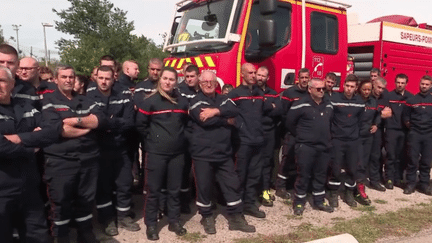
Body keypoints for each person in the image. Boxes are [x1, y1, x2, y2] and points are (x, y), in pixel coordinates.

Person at [42, 65, 106, 242]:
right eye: (64, 77)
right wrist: (87, 128)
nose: (68, 80)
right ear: (56, 79)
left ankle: (85, 233)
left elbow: (100, 119)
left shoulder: (85, 100)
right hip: (61, 161)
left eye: (71, 77)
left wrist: (76, 121)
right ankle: (60, 237)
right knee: (60, 202)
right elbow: (60, 130)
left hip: (88, 159)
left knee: (85, 199)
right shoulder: (48, 101)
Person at [189, 70, 255, 234]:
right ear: (200, 83)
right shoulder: (195, 100)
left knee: (232, 185)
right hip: (203, 153)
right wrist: (225, 120)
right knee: (204, 187)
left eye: (212, 81)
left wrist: (215, 112)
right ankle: (207, 217)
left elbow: (235, 111)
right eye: (205, 82)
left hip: (223, 153)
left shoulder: (224, 99)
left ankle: (236, 218)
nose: (209, 84)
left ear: (216, 83)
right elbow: (204, 121)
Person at [0, 66, 61, 243]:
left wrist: (16, 138)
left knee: (39, 236)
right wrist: (30, 145)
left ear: (12, 84)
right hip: (2, 192)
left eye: (3, 81)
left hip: (29, 188)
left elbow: (51, 132)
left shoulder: (26, 108)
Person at [136, 67, 188, 241]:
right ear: (160, 80)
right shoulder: (150, 101)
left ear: (176, 81)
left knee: (174, 189)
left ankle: (174, 220)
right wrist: (154, 141)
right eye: (165, 78)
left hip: (177, 153)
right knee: (153, 190)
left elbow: (185, 124)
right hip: (156, 153)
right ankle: (151, 224)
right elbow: (141, 125)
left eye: (171, 79)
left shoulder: (182, 101)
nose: (167, 82)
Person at [87, 65, 140, 236]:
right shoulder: (89, 96)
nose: (104, 81)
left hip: (120, 148)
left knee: (125, 183)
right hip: (99, 150)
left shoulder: (123, 94)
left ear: (113, 79)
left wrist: (108, 123)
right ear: (96, 78)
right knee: (104, 186)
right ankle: (107, 219)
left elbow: (130, 121)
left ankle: (123, 216)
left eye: (107, 78)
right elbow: (95, 123)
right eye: (100, 78)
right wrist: (111, 122)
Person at [227, 63, 272, 218]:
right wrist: (238, 126)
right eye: (250, 73)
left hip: (258, 140)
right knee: (240, 176)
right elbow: (226, 114)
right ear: (242, 74)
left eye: (255, 73)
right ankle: (237, 207)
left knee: (254, 175)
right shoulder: (235, 94)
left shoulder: (260, 93)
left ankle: (249, 204)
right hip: (242, 142)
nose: (253, 75)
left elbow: (266, 109)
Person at [287, 78, 334, 215]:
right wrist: (303, 136)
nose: (321, 91)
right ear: (310, 89)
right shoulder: (300, 104)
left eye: (323, 89)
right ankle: (299, 202)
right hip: (306, 147)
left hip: (324, 147)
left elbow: (331, 122)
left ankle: (319, 201)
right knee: (304, 175)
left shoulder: (329, 104)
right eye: (318, 89)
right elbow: (290, 123)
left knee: (320, 175)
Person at [328, 74, 365, 208]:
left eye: (352, 87)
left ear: (356, 88)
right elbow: (330, 118)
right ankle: (333, 193)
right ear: (343, 85)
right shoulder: (335, 98)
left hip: (352, 141)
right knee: (335, 168)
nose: (349, 89)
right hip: (337, 140)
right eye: (347, 86)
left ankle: (349, 193)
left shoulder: (360, 101)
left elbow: (360, 121)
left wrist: (355, 135)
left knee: (352, 169)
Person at [276, 68, 310, 199]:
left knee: (302, 161)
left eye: (306, 78)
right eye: (302, 78)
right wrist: (291, 129)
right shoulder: (289, 93)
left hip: (306, 133)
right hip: (292, 133)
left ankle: (297, 186)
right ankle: (280, 187)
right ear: (298, 78)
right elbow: (283, 114)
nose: (304, 80)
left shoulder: (310, 92)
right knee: (287, 160)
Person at [256, 66, 282, 207]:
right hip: (254, 132)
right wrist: (269, 106)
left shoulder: (273, 93)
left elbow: (278, 110)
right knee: (252, 163)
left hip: (269, 133)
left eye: (263, 76)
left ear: (268, 78)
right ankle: (252, 191)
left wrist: (267, 107)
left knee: (267, 163)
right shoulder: (251, 92)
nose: (260, 78)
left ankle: (265, 191)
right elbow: (253, 111)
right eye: (258, 75)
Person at [177, 64, 201, 213]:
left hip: (199, 135)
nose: (190, 79)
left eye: (192, 76)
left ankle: (200, 197)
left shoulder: (203, 90)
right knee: (184, 170)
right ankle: (184, 202)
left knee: (199, 168)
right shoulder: (180, 91)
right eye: (187, 77)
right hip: (184, 134)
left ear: (198, 76)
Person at [402, 75, 432, 195]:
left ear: (430, 86)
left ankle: (424, 184)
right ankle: (410, 184)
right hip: (414, 134)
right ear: (419, 84)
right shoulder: (411, 100)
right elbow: (406, 118)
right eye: (422, 84)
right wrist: (414, 129)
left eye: (426, 84)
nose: (424, 86)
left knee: (426, 161)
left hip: (429, 135)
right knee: (412, 160)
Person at [384, 74, 413, 189]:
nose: (400, 85)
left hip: (404, 131)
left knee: (402, 156)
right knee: (390, 155)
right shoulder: (389, 96)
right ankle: (389, 178)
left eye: (402, 83)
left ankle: (398, 178)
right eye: (398, 82)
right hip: (391, 130)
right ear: (395, 83)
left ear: (406, 84)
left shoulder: (410, 97)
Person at [355, 80, 380, 205]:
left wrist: (376, 124)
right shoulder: (355, 100)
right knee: (356, 162)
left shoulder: (373, 101)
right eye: (364, 89)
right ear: (360, 89)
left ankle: (360, 187)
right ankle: (351, 187)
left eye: (368, 90)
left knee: (363, 162)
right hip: (355, 136)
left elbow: (378, 114)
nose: (366, 92)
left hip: (368, 137)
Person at [369, 77, 392, 192]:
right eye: (378, 87)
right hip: (364, 129)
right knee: (361, 156)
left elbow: (387, 113)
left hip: (378, 130)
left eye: (383, 88)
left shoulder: (385, 97)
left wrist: (378, 119)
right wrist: (380, 115)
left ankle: (374, 180)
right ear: (373, 85)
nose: (380, 90)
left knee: (375, 156)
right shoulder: (367, 96)